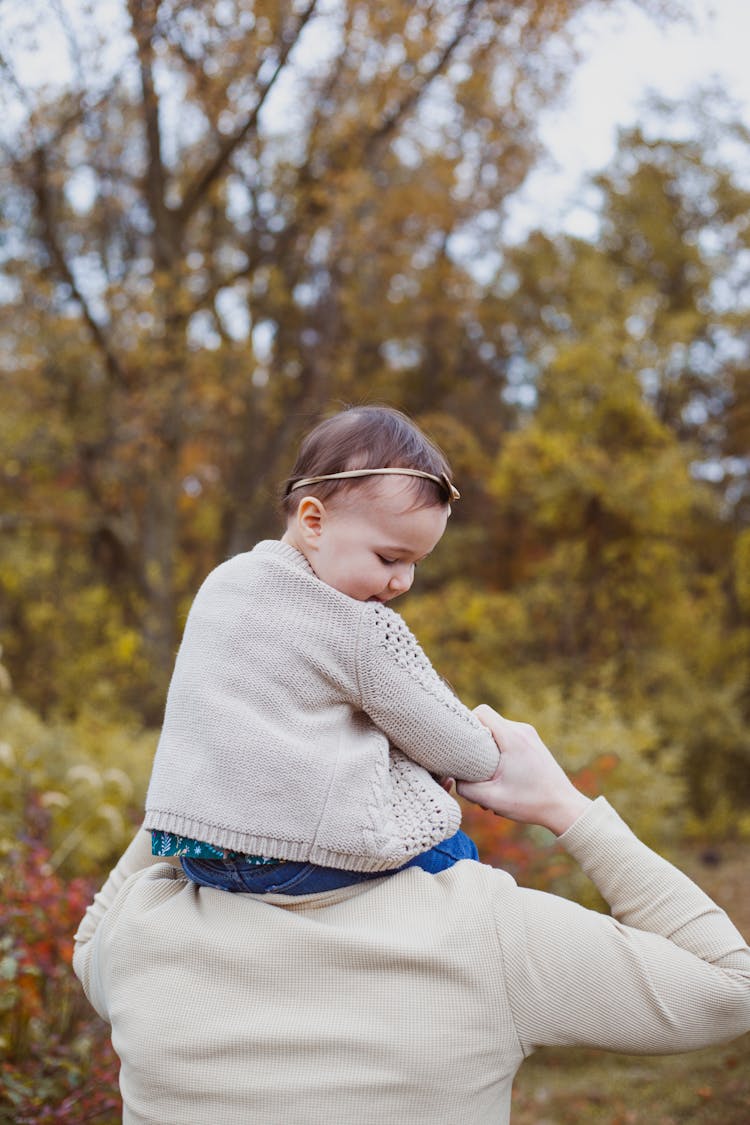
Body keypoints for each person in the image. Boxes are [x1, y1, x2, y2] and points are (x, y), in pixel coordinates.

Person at [73, 705, 750, 1125]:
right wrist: (560, 804)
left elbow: (88, 939)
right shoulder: (484, 929)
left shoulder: (141, 932)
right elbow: (729, 986)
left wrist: (199, 773)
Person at [144, 405, 500, 894]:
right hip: (289, 857)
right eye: (390, 558)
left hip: (195, 851)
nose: (402, 582)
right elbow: (462, 750)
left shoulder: (222, 583)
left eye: (416, 564)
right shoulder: (354, 623)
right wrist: (486, 745)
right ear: (314, 522)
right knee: (461, 859)